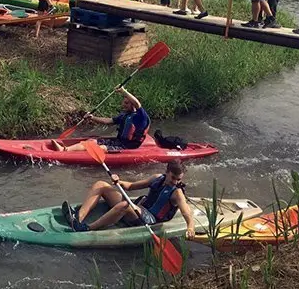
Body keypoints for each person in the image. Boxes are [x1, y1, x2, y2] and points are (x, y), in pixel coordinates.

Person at [61, 160, 194, 239]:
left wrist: (190, 227)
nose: (175, 182)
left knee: (125, 205)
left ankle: (87, 228)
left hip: (151, 221)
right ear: (167, 172)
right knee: (101, 184)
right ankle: (77, 219)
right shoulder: (157, 178)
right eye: (173, 178)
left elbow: (186, 211)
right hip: (139, 209)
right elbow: (130, 186)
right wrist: (118, 181)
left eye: (179, 179)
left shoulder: (177, 193)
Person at [51, 86, 149, 152]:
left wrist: (123, 91)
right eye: (123, 102)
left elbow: (137, 104)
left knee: (101, 148)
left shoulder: (141, 116)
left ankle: (68, 151)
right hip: (118, 141)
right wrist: (92, 118)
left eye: (126, 103)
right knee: (91, 141)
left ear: (132, 104)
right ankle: (65, 150)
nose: (123, 105)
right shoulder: (125, 115)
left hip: (128, 146)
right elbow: (109, 121)